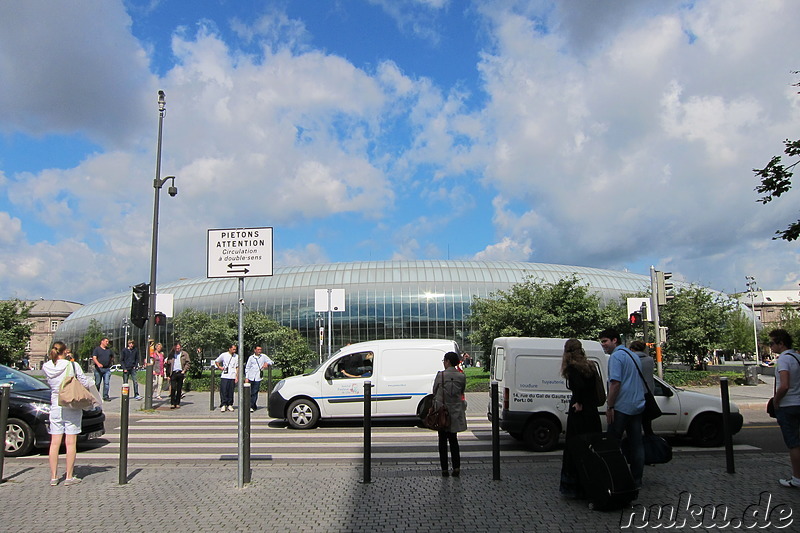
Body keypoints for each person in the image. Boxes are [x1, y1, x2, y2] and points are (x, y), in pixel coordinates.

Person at [599, 328, 645, 489]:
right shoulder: (632, 355)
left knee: (612, 444)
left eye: (605, 341)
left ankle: (614, 477)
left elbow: (615, 383)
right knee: (636, 444)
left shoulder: (616, 357)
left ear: (614, 340)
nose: (603, 344)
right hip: (637, 405)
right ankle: (637, 480)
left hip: (621, 407)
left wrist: (610, 405)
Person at [42, 341, 93, 486]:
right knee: (70, 442)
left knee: (55, 442)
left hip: (55, 405)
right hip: (71, 404)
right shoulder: (72, 365)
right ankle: (69, 476)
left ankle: (53, 476)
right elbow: (84, 381)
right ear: (65, 351)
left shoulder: (46, 367)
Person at [559, 339, 603, 498]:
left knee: (574, 447)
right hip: (592, 411)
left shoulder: (572, 367)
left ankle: (573, 485)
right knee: (591, 447)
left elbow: (579, 387)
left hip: (580, 413)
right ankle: (591, 482)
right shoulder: (589, 365)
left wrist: (578, 402)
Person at [769, 329, 800, 488]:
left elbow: (785, 385)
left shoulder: (783, 360)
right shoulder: (797, 357)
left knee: (794, 444)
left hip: (788, 405)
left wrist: (776, 400)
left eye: (772, 343)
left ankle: (796, 478)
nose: (771, 346)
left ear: (781, 343)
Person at [432, 351, 467, 477]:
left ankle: (444, 469)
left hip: (442, 412)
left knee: (442, 440)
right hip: (455, 411)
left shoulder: (440, 375)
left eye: (444, 361)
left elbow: (434, 390)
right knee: (454, 440)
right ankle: (456, 467)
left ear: (447, 361)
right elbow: (462, 391)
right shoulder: (461, 376)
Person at [629, 340, 655, 435]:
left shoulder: (631, 360)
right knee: (647, 425)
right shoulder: (650, 360)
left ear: (632, 349)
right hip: (648, 394)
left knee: (634, 425)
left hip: (635, 396)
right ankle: (650, 445)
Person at [244, 346, 273, 412]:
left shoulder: (263, 356)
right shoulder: (251, 358)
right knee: (250, 392)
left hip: (258, 377)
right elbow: (247, 367)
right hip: (251, 376)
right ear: (255, 350)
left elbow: (271, 362)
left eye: (260, 349)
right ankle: (253, 405)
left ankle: (251, 406)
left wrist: (267, 363)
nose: (259, 351)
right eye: (258, 349)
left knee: (255, 391)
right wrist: (247, 377)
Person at [165, 343, 190, 409]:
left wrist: (184, 370)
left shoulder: (184, 354)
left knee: (179, 389)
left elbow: (188, 363)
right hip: (173, 372)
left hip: (180, 372)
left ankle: (177, 402)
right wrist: (167, 374)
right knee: (173, 388)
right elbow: (168, 364)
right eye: (176, 348)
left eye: (178, 348)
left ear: (180, 347)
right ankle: (172, 403)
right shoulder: (171, 354)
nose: (177, 349)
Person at [215, 344, 239, 411]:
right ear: (229, 349)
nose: (234, 350)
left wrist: (237, 376)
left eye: (235, 349)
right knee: (224, 390)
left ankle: (230, 404)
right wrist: (219, 367)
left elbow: (237, 367)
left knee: (231, 391)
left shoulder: (236, 356)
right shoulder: (224, 355)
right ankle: (223, 404)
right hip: (225, 375)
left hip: (232, 376)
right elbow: (217, 361)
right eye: (233, 349)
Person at [92, 337, 114, 401]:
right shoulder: (97, 349)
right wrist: (98, 364)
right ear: (102, 341)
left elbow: (112, 357)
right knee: (97, 383)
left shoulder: (109, 350)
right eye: (106, 341)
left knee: (106, 383)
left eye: (108, 342)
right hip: (98, 369)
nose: (107, 343)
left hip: (107, 369)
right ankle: (95, 396)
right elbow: (94, 357)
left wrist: (110, 362)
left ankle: (105, 396)